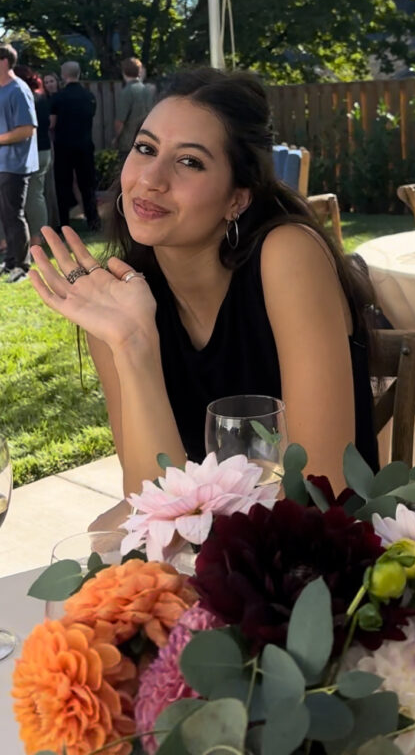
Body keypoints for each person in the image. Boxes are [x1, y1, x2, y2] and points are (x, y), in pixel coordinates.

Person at [29, 68, 378, 528]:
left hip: (319, 553)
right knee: (103, 539)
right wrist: (132, 344)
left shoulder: (287, 256)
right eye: (146, 149)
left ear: (237, 198)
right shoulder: (119, 299)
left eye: (189, 162)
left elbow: (322, 489)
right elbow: (151, 500)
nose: (151, 179)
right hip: (208, 547)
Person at [0, 44, 38, 283]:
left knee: (15, 215)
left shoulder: (19, 90)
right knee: (5, 216)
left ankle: (22, 267)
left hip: (15, 165)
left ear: (4, 61)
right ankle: (10, 262)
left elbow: (27, 129)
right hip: (2, 164)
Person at [49, 60, 100, 231]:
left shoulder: (58, 97)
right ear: (78, 74)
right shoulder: (89, 96)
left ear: (63, 75)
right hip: (85, 145)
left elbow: (52, 123)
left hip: (64, 146)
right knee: (87, 184)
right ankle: (93, 220)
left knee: (63, 184)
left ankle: (64, 223)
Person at [14, 67, 53, 246]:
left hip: (24, 153)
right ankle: (38, 238)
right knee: (36, 195)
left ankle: (8, 241)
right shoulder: (42, 99)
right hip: (43, 150)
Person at [113, 56, 156, 160]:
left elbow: (120, 121)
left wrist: (116, 138)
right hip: (146, 141)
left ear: (124, 72)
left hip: (129, 143)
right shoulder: (148, 90)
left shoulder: (127, 92)